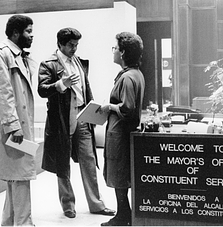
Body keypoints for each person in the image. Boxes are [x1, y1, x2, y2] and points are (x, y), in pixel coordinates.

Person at [37, 27, 115, 219]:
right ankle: (68, 205)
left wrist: (93, 110)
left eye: (76, 44)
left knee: (89, 159)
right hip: (62, 119)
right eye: (71, 45)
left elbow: (85, 88)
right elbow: (42, 89)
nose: (75, 48)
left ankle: (96, 204)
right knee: (62, 163)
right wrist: (61, 84)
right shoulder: (48, 64)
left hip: (82, 114)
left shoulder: (79, 61)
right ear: (60, 44)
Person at [0, 14, 36, 226]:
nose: (32, 36)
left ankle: (10, 221)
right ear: (15, 33)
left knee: (17, 175)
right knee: (20, 176)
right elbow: (2, 92)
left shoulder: (18, 55)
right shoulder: (0, 55)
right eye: (28, 32)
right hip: (13, 127)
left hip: (18, 125)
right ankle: (23, 223)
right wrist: (13, 126)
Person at [99, 32, 145, 226]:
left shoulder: (127, 78)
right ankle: (124, 213)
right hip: (124, 133)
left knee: (119, 174)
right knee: (122, 173)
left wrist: (109, 107)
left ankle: (123, 216)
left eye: (115, 48)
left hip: (119, 133)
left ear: (124, 52)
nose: (114, 51)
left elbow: (127, 108)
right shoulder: (136, 74)